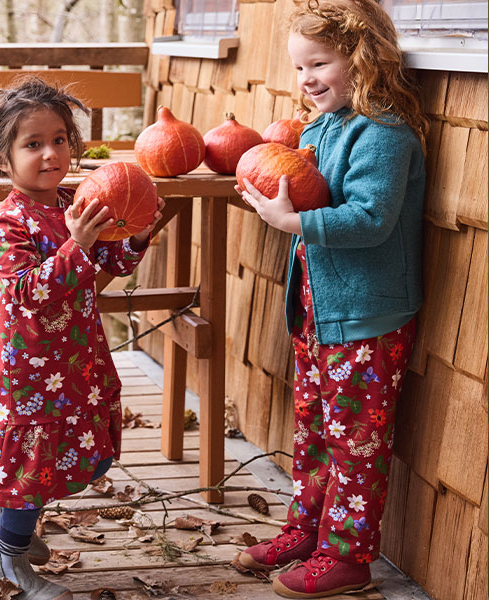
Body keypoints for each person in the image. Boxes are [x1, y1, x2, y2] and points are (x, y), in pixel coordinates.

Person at [235, 1, 427, 597]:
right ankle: (309, 529)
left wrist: (293, 224)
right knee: (315, 426)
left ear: (363, 59)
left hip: (366, 313)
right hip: (317, 312)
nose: (307, 79)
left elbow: (370, 218)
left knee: (356, 437)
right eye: (299, 68)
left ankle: (348, 557)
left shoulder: (385, 133)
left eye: (319, 63)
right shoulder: (322, 128)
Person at [0, 76, 163, 600]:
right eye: (32, 144)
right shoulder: (8, 224)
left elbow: (106, 266)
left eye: (59, 139)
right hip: (31, 368)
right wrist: (77, 243)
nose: (51, 153)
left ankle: (8, 517)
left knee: (80, 457)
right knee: (34, 460)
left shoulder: (77, 200)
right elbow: (29, 292)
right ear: (2, 160)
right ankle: (7, 562)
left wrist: (136, 235)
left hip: (78, 357)